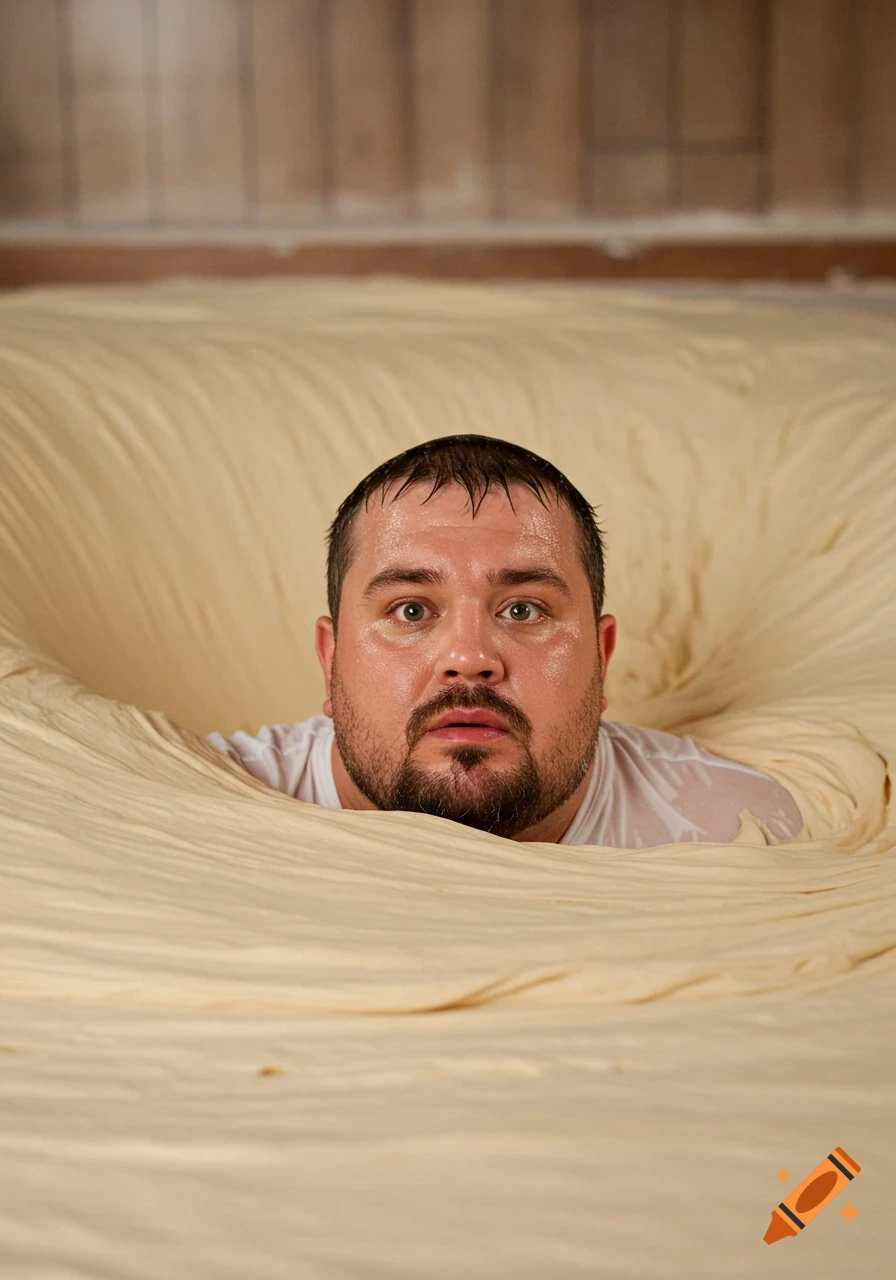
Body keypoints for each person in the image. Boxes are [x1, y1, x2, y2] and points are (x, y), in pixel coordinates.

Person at [207, 434, 803, 847]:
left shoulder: (735, 827)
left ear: (602, 657)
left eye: (523, 609)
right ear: (330, 660)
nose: (469, 659)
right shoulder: (207, 805)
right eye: (411, 609)